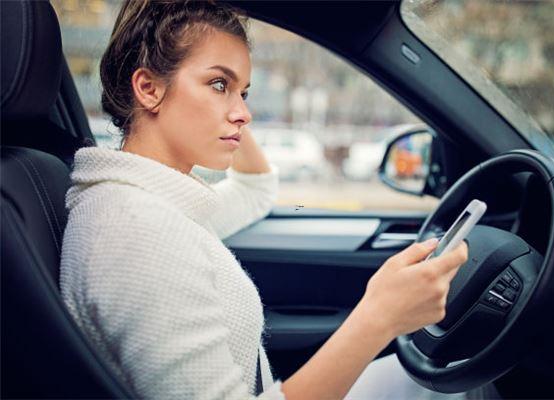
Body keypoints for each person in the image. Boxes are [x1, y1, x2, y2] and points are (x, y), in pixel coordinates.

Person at [59, 1, 469, 399]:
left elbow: (255, 189)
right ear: (148, 88)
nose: (245, 113)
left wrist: (224, 106)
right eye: (218, 84)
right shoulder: (140, 233)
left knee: (435, 382)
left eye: (245, 93)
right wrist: (379, 318)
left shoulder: (157, 203)